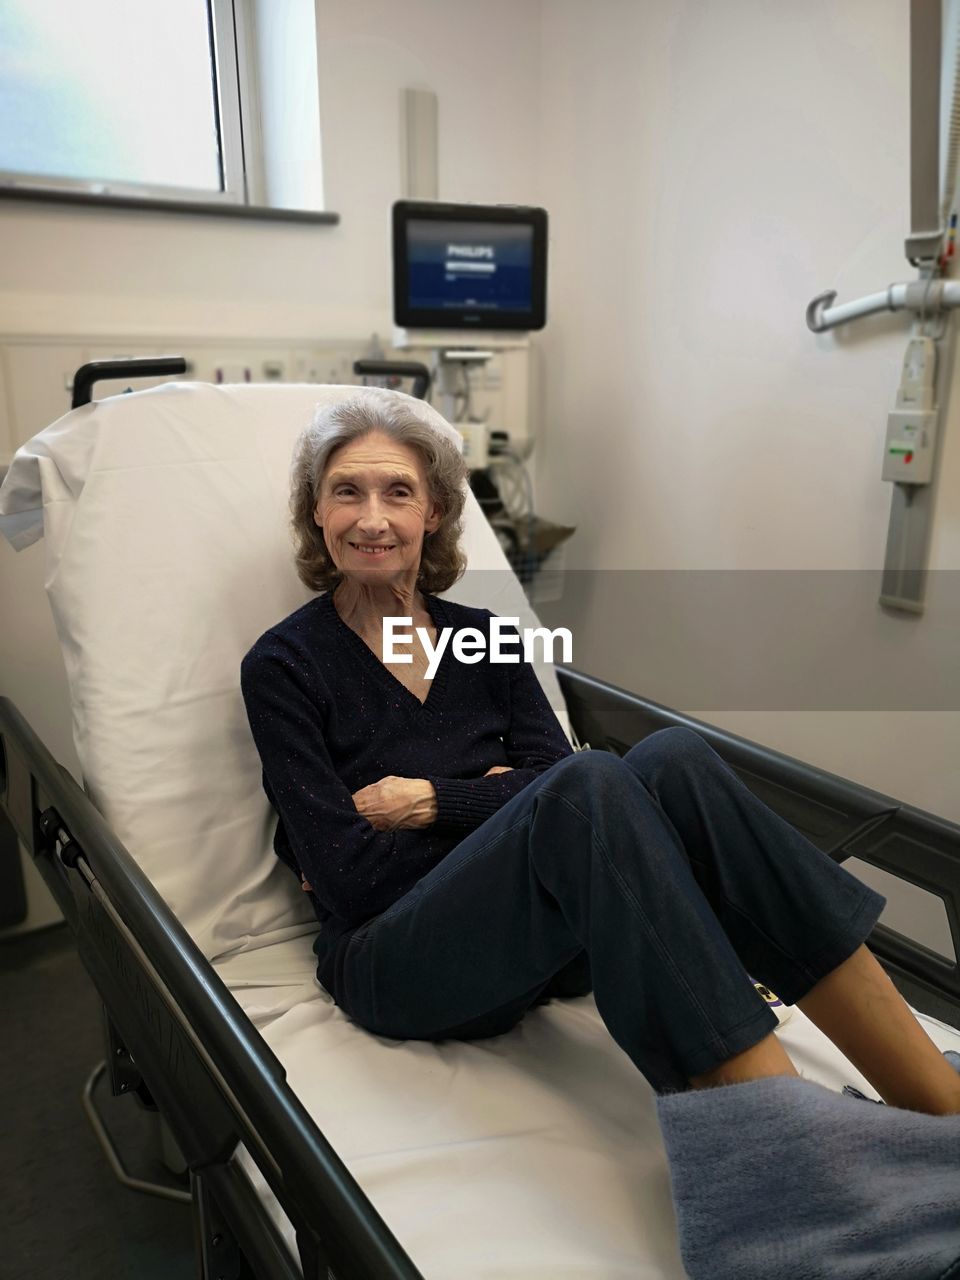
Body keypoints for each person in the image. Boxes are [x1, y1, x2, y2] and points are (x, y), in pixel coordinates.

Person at [241, 389, 960, 1113]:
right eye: (346, 493)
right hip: (393, 961)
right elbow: (350, 880)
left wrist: (431, 802)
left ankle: (935, 1097)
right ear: (316, 512)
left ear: (433, 512)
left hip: (543, 940)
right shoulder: (287, 666)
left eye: (398, 491)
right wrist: (516, 806)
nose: (371, 518)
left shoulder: (485, 635)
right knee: (588, 788)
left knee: (673, 760)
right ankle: (793, 1140)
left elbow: (557, 781)